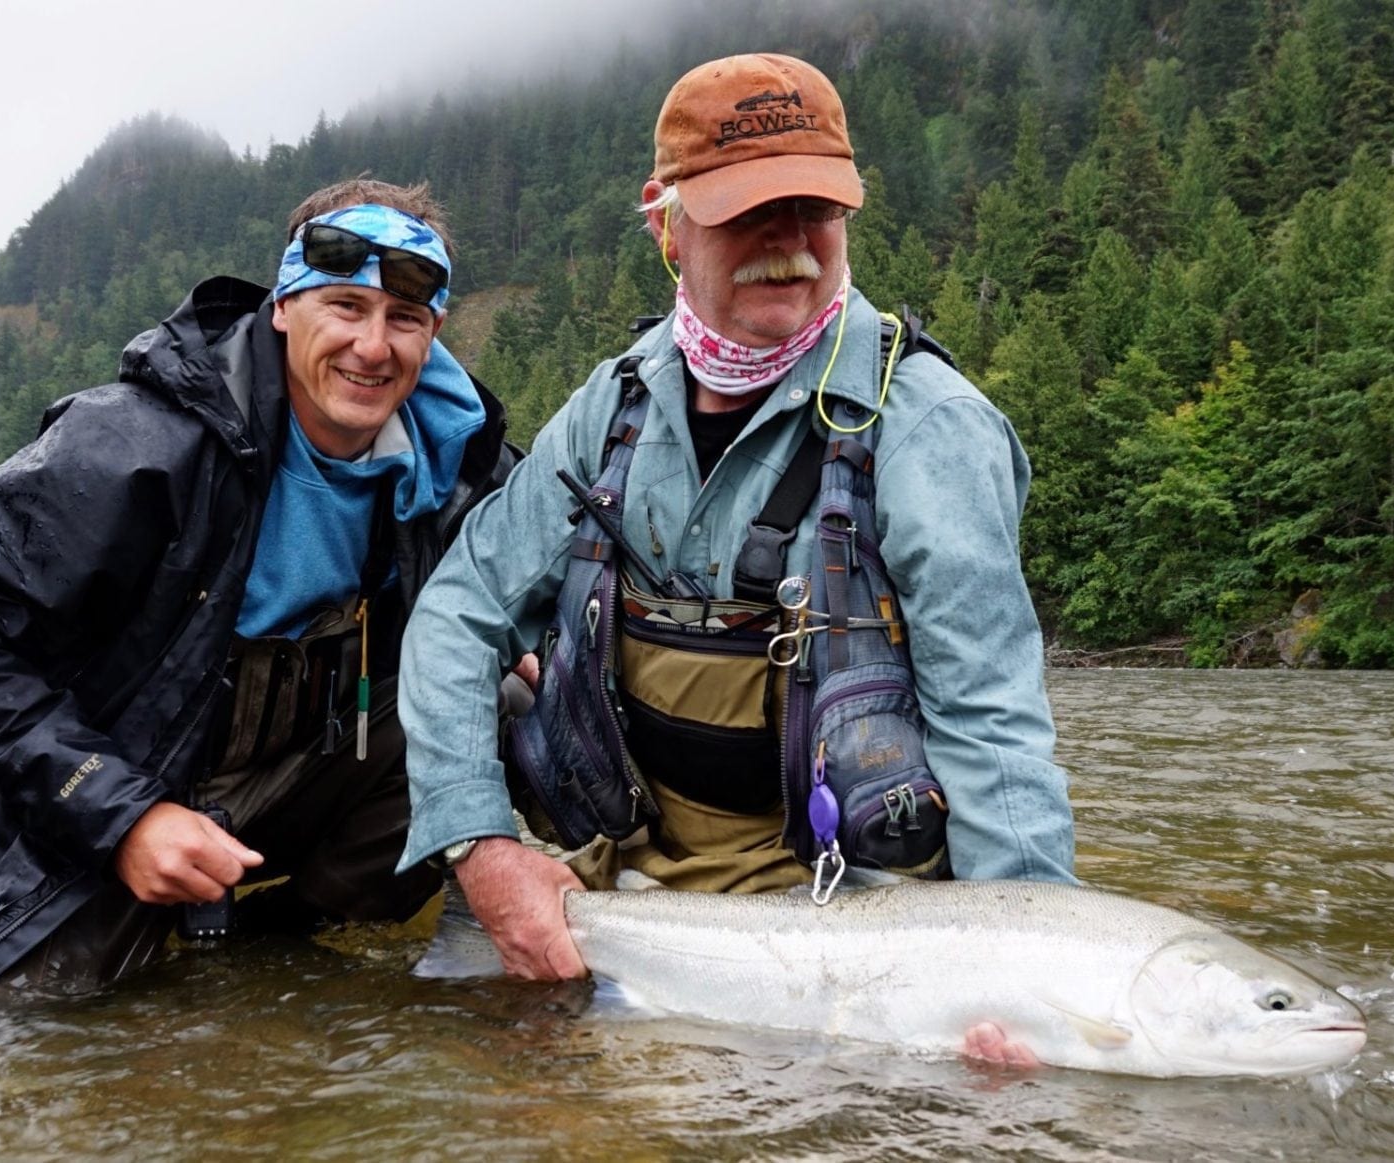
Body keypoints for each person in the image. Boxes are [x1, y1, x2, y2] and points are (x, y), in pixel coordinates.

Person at [395, 53, 1076, 1057]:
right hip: (622, 875)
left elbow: (993, 719)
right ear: (664, 222)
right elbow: (460, 612)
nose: (789, 246)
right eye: (747, 211)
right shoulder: (613, 405)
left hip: (842, 920)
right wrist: (485, 846)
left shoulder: (933, 428)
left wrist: (1030, 974)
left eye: (816, 209)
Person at [0, 178, 516, 992]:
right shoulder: (132, 443)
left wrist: (514, 648)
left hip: (268, 782)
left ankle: (274, 947)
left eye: (403, 319)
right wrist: (120, 815)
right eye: (344, 306)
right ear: (282, 306)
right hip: (93, 791)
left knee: (506, 704)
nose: (373, 348)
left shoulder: (456, 466)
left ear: (434, 333)